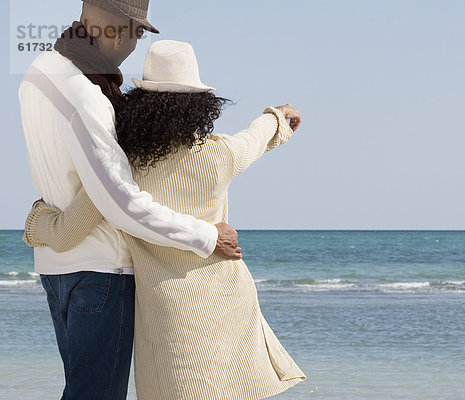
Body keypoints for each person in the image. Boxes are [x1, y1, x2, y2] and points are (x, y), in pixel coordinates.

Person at [24, 40, 306, 400]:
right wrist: (279, 117)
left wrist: (36, 223)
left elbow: (66, 233)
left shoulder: (124, 168)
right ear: (201, 107)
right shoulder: (221, 154)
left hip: (167, 316)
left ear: (141, 104)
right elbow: (255, 137)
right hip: (227, 301)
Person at [19, 1, 240, 399]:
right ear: (121, 32)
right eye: (139, 35)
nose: (134, 48)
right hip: (102, 273)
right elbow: (121, 201)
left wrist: (45, 226)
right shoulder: (87, 96)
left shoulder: (37, 74)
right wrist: (207, 236)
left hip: (56, 270)